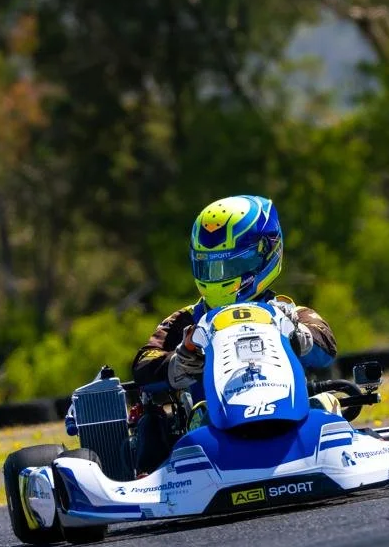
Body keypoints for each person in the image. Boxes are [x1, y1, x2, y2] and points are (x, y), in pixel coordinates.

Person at [129, 195, 339, 474]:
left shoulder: (287, 313)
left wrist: (298, 336)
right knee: (158, 426)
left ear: (266, 253)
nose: (219, 276)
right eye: (210, 267)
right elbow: (144, 364)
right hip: (210, 434)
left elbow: (326, 343)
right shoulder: (186, 321)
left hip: (290, 421)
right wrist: (180, 360)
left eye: (231, 266)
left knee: (325, 406)